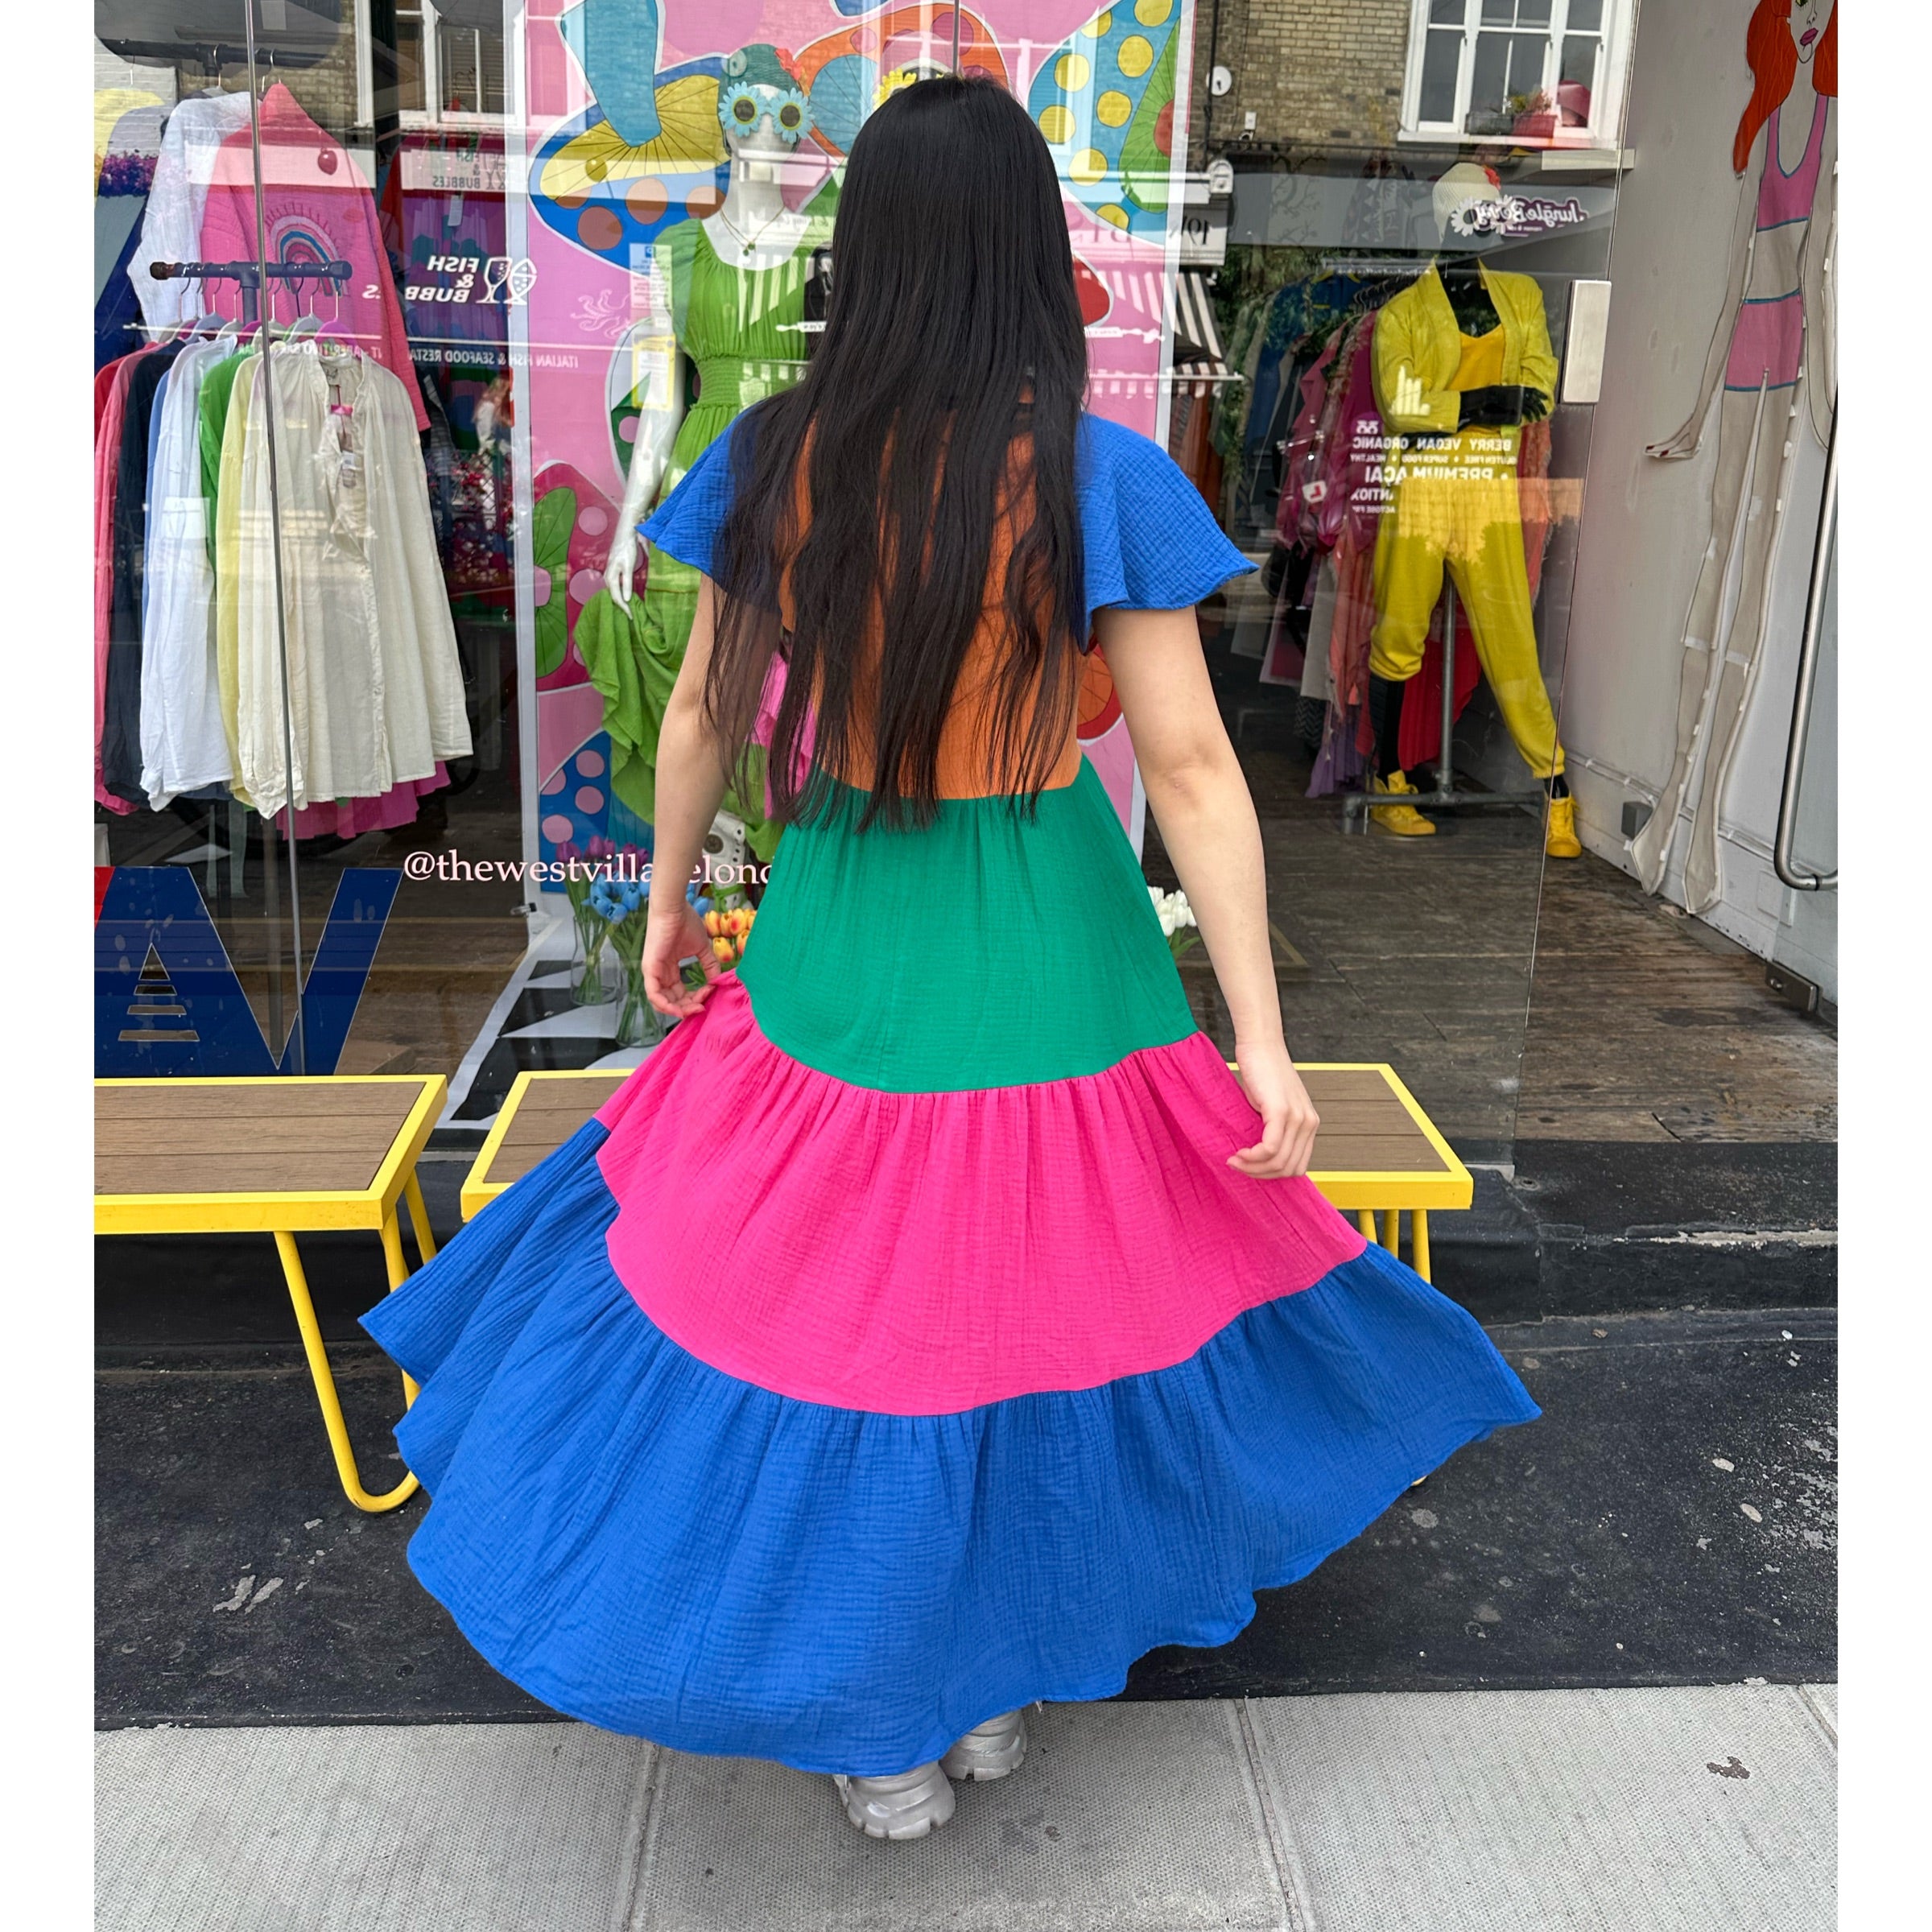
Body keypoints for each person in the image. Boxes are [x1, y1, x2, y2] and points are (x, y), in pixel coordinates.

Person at [362, 76, 1538, 1843]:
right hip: (1054, 932)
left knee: (845, 1316)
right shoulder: (1097, 477)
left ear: (869, 254)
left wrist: (670, 899)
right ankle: (980, 1686)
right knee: (1029, 1305)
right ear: (1026, 257)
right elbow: (1195, 773)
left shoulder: (779, 457)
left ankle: (885, 1714)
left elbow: (701, 717)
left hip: (846, 921)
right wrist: (1260, 1038)